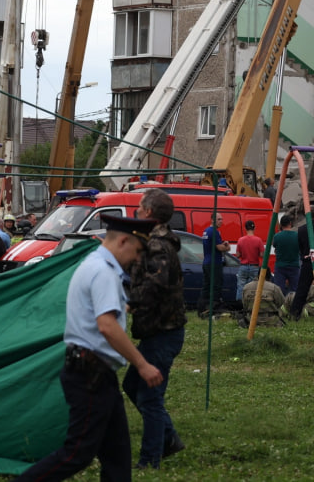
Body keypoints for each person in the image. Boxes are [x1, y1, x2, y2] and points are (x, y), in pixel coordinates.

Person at [9, 216, 162, 482]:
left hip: (96, 372)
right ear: (123, 241)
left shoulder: (93, 264)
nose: (137, 259)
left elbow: (99, 313)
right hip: (90, 374)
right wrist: (142, 364)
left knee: (117, 456)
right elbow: (106, 326)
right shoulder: (103, 272)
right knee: (77, 453)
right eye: (137, 251)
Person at [123, 188, 186, 470]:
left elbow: (155, 284)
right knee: (131, 385)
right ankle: (169, 438)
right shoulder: (153, 241)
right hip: (155, 330)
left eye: (139, 207)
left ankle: (150, 461)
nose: (136, 210)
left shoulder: (158, 245)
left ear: (148, 212)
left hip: (164, 331)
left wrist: (129, 304)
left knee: (150, 397)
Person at [198, 212, 229, 317]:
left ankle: (202, 309)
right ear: (212, 220)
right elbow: (220, 248)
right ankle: (214, 310)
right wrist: (227, 246)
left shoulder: (206, 231)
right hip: (214, 263)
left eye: (222, 219)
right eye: (219, 219)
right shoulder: (214, 232)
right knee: (216, 286)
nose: (221, 221)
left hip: (206, 262)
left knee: (206, 286)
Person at [271, 214, 300, 294]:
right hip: (294, 266)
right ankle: (293, 304)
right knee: (294, 289)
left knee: (279, 290)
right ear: (290, 223)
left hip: (280, 266)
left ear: (281, 225)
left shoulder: (277, 236)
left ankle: (281, 305)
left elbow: (275, 245)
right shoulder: (297, 235)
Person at [235, 219, 263, 294]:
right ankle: (251, 303)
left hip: (243, 266)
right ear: (254, 228)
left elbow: (237, 255)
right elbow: (261, 255)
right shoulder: (258, 240)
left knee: (241, 286)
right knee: (253, 288)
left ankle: (240, 303)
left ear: (245, 228)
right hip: (254, 267)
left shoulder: (240, 240)